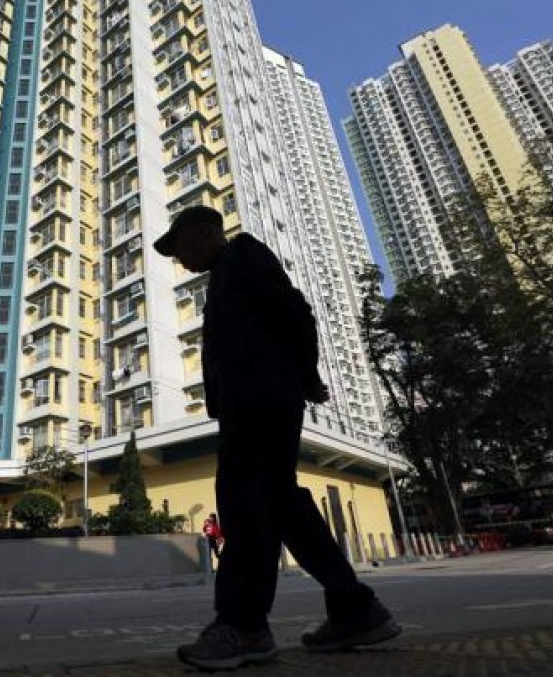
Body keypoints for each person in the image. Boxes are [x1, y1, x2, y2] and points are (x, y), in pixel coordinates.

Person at [154, 206, 400, 671]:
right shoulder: (225, 276)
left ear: (206, 234)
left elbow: (295, 313)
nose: (180, 258)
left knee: (244, 504)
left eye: (181, 246)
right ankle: (356, 610)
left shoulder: (243, 255)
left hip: (260, 402)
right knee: (283, 506)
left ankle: (244, 627)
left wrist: (305, 377)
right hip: (254, 403)